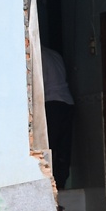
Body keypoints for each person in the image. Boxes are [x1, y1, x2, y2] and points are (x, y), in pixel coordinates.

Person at [42, 44, 74, 189]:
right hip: (67, 102)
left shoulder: (38, 57)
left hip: (52, 102)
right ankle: (61, 183)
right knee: (63, 146)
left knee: (50, 145)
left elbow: (39, 84)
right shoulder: (54, 53)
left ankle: (50, 184)